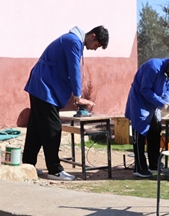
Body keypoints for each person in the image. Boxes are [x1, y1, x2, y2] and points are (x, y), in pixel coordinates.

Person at [22, 26, 109, 181]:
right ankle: (54, 169)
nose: (94, 50)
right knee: (52, 128)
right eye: (96, 46)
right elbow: (74, 68)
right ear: (92, 36)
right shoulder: (73, 41)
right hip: (43, 87)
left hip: (41, 85)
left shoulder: (72, 41)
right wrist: (78, 96)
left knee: (37, 127)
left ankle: (28, 165)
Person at [125, 55, 169, 178]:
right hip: (139, 103)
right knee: (139, 134)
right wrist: (161, 104)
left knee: (156, 131)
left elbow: (166, 92)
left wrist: (168, 104)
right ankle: (140, 167)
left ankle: (154, 164)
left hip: (153, 105)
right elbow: (145, 90)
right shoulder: (153, 67)